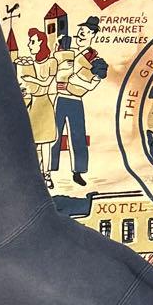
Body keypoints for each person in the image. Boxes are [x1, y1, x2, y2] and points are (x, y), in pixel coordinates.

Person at [50, 17, 106, 185]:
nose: (82, 33)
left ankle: (78, 171)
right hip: (60, 98)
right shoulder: (67, 48)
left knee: (77, 135)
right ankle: (48, 169)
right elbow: (55, 68)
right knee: (54, 134)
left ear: (93, 35)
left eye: (87, 31)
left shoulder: (94, 58)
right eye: (81, 29)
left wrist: (74, 81)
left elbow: (92, 84)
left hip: (75, 100)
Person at [17, 28, 59, 189]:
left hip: (44, 104)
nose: (29, 44)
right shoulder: (29, 63)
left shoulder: (51, 62)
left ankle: (46, 174)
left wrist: (31, 78)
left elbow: (46, 82)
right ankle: (30, 174)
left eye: (32, 41)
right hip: (32, 103)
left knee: (46, 143)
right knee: (31, 142)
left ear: (41, 43)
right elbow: (25, 85)